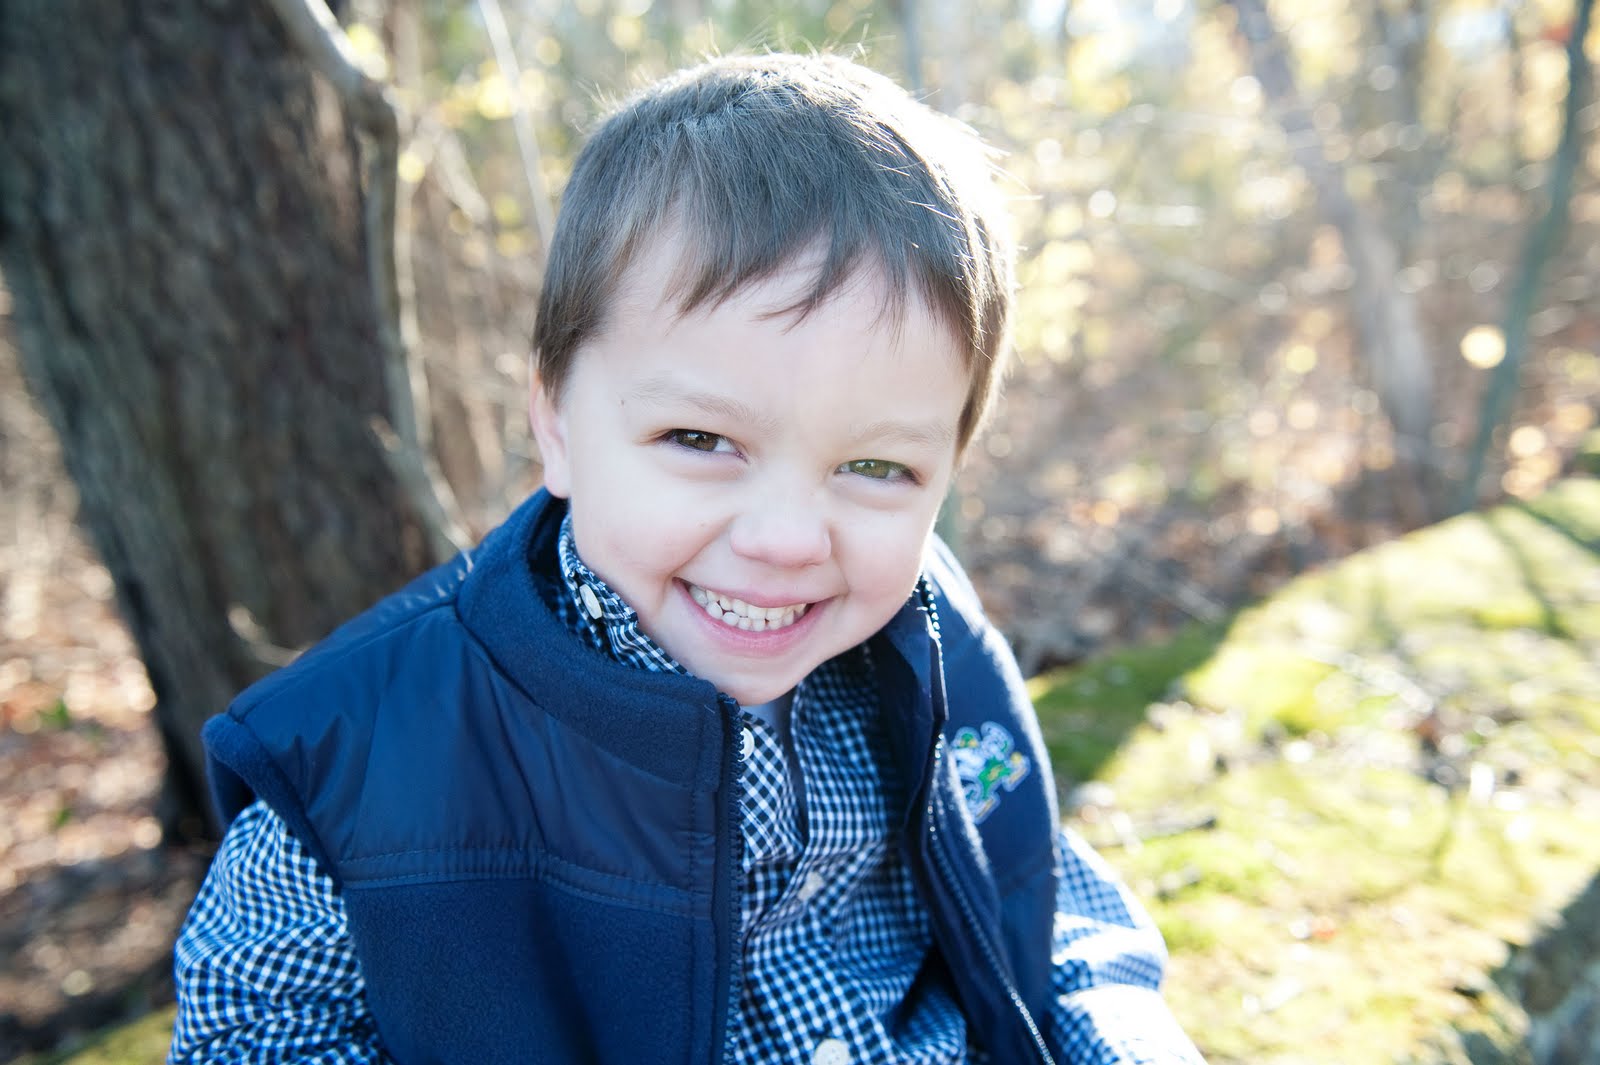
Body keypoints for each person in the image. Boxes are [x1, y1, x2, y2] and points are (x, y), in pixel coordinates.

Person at [170, 52, 1205, 1065]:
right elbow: (257, 1031)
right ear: (557, 423)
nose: (787, 538)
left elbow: (1035, 892)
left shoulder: (933, 642)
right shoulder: (361, 769)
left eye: (876, 466)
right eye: (702, 440)